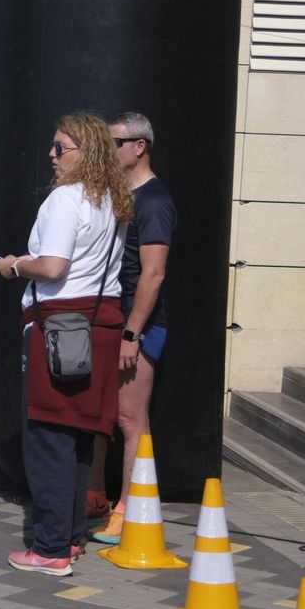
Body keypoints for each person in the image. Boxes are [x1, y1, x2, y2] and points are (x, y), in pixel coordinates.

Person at [0, 112, 130, 576]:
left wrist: (15, 265)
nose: (51, 156)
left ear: (84, 152)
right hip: (101, 327)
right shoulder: (114, 200)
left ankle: (50, 549)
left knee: (49, 438)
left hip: (58, 329)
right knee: (76, 440)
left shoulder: (65, 201)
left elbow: (53, 267)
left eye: (60, 148)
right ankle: (69, 538)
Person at [90, 112, 175, 544]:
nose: (108, 151)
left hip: (136, 327)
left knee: (129, 419)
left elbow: (153, 274)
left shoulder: (155, 201)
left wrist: (132, 333)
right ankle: (97, 497)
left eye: (115, 143)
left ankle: (129, 509)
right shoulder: (118, 195)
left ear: (139, 146)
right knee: (102, 415)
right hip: (109, 317)